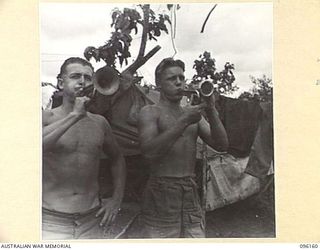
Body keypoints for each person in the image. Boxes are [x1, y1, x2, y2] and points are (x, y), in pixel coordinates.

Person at [138, 58, 228, 238]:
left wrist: (211, 109)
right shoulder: (150, 112)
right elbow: (149, 153)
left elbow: (221, 145)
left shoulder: (191, 113)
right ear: (158, 83)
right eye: (172, 78)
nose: (179, 82)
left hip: (189, 189)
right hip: (161, 189)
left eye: (181, 77)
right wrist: (184, 121)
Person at [42, 57, 126, 239]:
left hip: (92, 220)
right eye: (75, 76)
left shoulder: (100, 123)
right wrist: (74, 115)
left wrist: (116, 200)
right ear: (60, 83)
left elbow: (117, 159)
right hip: (51, 222)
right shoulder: (45, 118)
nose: (82, 82)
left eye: (88, 78)